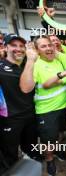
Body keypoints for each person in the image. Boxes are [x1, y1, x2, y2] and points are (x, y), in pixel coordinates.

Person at [20, 36, 66, 176]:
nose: (48, 48)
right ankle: (49, 159)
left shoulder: (58, 60)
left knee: (60, 134)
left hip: (64, 106)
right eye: (43, 46)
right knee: (48, 141)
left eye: (49, 45)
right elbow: (25, 87)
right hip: (47, 111)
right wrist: (30, 60)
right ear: (37, 50)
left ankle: (57, 150)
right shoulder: (36, 65)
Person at [0, 34, 39, 173]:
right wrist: (30, 61)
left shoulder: (23, 67)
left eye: (21, 46)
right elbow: (26, 87)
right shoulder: (1, 67)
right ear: (5, 47)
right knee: (9, 155)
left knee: (31, 148)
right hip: (10, 120)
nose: (18, 49)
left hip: (29, 115)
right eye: (14, 45)